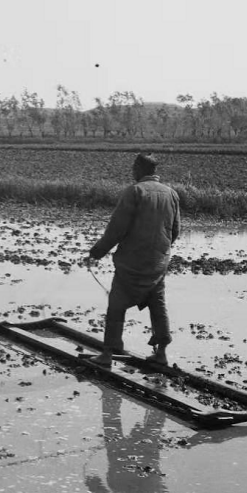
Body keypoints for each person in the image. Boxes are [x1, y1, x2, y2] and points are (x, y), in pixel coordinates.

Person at [87, 153, 180, 367]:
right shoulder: (172, 194)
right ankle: (162, 353)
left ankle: (108, 353)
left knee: (116, 305)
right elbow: (175, 231)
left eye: (133, 168)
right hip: (157, 264)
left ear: (139, 169)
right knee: (158, 305)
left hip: (131, 264)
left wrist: (96, 252)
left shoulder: (135, 192)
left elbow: (116, 231)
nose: (132, 172)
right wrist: (160, 252)